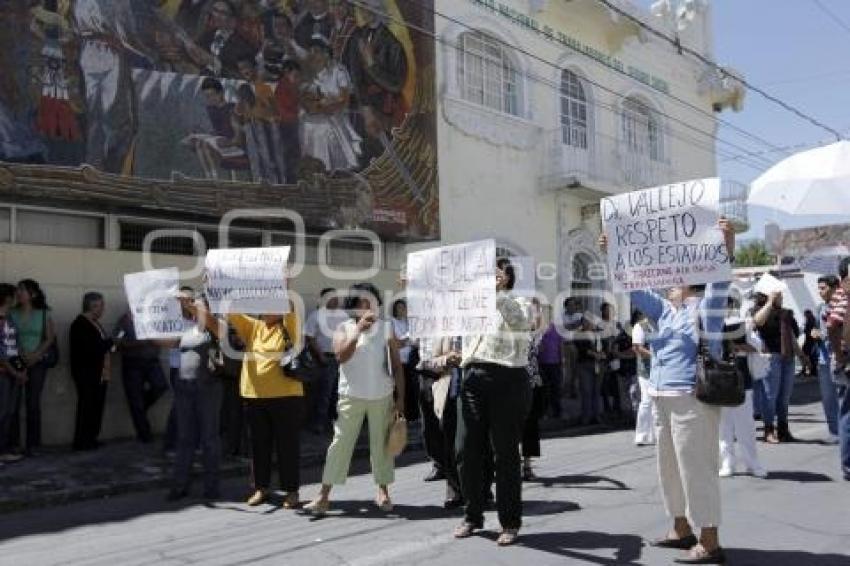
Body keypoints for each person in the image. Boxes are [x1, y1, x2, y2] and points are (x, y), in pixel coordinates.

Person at [600, 217, 735, 565]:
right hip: (661, 397)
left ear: (688, 283)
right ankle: (680, 527)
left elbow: (720, 280)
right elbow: (632, 286)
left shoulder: (705, 309)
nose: (666, 284)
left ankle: (710, 540)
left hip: (691, 399)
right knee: (669, 468)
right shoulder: (665, 311)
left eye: (674, 279)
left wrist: (726, 243)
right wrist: (612, 253)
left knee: (697, 469)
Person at [303, 283, 405, 516]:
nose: (367, 306)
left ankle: (383, 491)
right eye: (362, 302)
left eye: (371, 301)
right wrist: (358, 329)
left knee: (381, 446)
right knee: (340, 444)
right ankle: (324, 495)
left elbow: (397, 366)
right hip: (351, 396)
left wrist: (400, 400)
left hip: (382, 395)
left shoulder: (386, 328)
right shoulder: (343, 328)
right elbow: (340, 356)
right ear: (354, 306)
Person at [198, 293, 306, 508]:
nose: (267, 309)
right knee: (258, 446)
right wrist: (218, 288)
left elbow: (292, 305)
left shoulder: (289, 327)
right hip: (254, 397)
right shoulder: (254, 328)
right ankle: (261, 488)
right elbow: (231, 313)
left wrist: (283, 284)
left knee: (287, 446)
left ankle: (292, 491)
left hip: (285, 397)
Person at [453, 258, 532, 547]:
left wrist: (498, 296)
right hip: (473, 376)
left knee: (505, 453)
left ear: (507, 277)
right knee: (465, 449)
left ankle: (510, 521)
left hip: (508, 378)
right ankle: (473, 515)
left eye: (497, 272)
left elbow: (522, 324)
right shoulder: (472, 306)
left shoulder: (521, 301)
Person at [166, 290, 223, 501]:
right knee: (184, 439)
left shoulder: (213, 326)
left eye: (195, 303)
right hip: (184, 387)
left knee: (209, 439)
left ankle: (211, 487)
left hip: (208, 388)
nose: (189, 305)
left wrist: (192, 304)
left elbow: (220, 332)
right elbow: (164, 343)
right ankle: (179, 485)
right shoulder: (182, 326)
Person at [342, 0, 408, 163]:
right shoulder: (356, 37)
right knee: (358, 153)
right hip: (359, 107)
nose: (364, 12)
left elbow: (396, 84)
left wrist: (372, 66)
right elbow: (352, 72)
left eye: (369, 8)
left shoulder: (393, 45)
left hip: (383, 109)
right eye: (362, 7)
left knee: (381, 157)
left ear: (379, 11)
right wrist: (364, 107)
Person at [751, 288, 810, 443]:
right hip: (771, 357)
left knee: (784, 396)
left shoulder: (786, 313)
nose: (781, 297)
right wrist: (770, 302)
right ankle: (768, 429)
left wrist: (802, 355)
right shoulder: (759, 310)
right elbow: (757, 321)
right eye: (778, 295)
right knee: (770, 395)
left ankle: (783, 429)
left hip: (788, 357)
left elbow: (791, 335)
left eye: (781, 295)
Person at [719, 297, 768, 479]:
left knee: (745, 425)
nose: (725, 309)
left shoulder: (743, 325)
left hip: (741, 380)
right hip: (719, 380)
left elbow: (758, 346)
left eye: (728, 305)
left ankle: (752, 463)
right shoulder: (708, 325)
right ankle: (727, 463)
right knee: (724, 427)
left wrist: (739, 345)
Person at [300, 34, 362, 172]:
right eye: (311, 52)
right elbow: (307, 99)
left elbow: (344, 100)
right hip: (318, 116)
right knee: (307, 125)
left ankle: (335, 167)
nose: (313, 56)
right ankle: (317, 168)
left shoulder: (338, 72)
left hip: (337, 117)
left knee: (325, 130)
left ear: (326, 53)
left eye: (316, 51)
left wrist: (327, 105)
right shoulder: (312, 76)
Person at [8, 279, 56, 455]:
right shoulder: (11, 313)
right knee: (13, 403)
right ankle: (13, 443)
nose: (19, 293)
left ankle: (33, 444)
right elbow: (9, 336)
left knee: (33, 403)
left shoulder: (43, 313)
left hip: (37, 362)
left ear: (33, 294)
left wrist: (35, 355)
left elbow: (49, 337)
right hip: (15, 360)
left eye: (23, 290)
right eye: (18, 290)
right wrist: (21, 354)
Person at [114, 311, 168, 444]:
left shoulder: (152, 317)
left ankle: (140, 408)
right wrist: (139, 343)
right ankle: (144, 435)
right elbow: (118, 342)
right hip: (133, 362)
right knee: (135, 399)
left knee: (160, 386)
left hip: (151, 361)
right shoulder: (124, 320)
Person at [69, 292, 113, 451]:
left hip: (100, 373)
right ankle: (82, 441)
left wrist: (110, 345)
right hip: (87, 374)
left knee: (96, 407)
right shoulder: (80, 324)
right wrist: (110, 343)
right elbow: (90, 349)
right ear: (92, 306)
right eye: (101, 305)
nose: (103, 309)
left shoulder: (95, 323)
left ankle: (91, 438)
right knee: (87, 407)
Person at [304, 288, 350, 434]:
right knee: (323, 393)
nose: (335, 300)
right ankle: (318, 424)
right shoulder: (316, 315)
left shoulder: (343, 316)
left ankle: (334, 422)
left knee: (339, 393)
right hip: (323, 359)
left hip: (341, 359)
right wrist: (320, 356)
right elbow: (309, 337)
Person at [0, 284, 27, 465]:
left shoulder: (9, 318)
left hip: (13, 372)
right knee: (2, 412)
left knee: (9, 412)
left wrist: (21, 369)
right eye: (14, 295)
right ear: (7, 298)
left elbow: (15, 347)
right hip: (3, 372)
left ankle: (4, 449)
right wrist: (13, 371)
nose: (17, 297)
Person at [522, 298, 547, 482]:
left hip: (530, 385)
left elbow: (540, 326)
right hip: (513, 386)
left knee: (529, 426)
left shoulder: (532, 336)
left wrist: (537, 309)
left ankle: (527, 466)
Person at [815, 275, 842, 444]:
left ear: (833, 288)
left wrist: (823, 334)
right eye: (819, 288)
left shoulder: (841, 307)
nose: (820, 292)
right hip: (824, 358)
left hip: (839, 357)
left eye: (823, 288)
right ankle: (834, 432)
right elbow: (821, 330)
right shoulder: (820, 308)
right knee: (828, 398)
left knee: (843, 396)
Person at [391, 299, 419, 422]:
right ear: (395, 309)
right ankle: (398, 415)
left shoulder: (409, 323)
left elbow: (415, 341)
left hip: (410, 360)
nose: (402, 310)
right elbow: (395, 343)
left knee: (410, 389)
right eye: (399, 307)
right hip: (398, 360)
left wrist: (406, 341)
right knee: (397, 389)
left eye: (404, 307)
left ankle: (411, 416)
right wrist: (406, 341)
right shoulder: (391, 322)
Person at [632, 310, 656, 446]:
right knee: (646, 401)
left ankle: (654, 435)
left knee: (657, 402)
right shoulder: (640, 326)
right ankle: (641, 435)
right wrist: (654, 355)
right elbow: (637, 348)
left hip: (660, 370)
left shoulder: (661, 324)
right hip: (646, 370)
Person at [537, 314, 563, 420]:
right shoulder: (539, 329)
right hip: (542, 363)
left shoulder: (557, 328)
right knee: (544, 389)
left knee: (555, 388)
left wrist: (562, 360)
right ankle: (544, 412)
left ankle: (557, 411)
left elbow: (560, 345)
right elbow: (538, 345)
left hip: (555, 363)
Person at [802, 309, 819, 377]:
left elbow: (814, 334)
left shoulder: (811, 322)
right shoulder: (812, 321)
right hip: (810, 342)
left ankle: (809, 371)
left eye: (805, 315)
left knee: (809, 357)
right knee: (811, 357)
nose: (804, 316)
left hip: (810, 342)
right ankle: (811, 371)